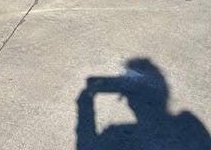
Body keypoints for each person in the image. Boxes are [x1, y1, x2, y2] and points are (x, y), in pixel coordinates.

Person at [76, 58, 211, 149]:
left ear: (129, 101)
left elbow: (86, 146)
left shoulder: (116, 135)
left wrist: (85, 103)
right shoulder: (188, 125)